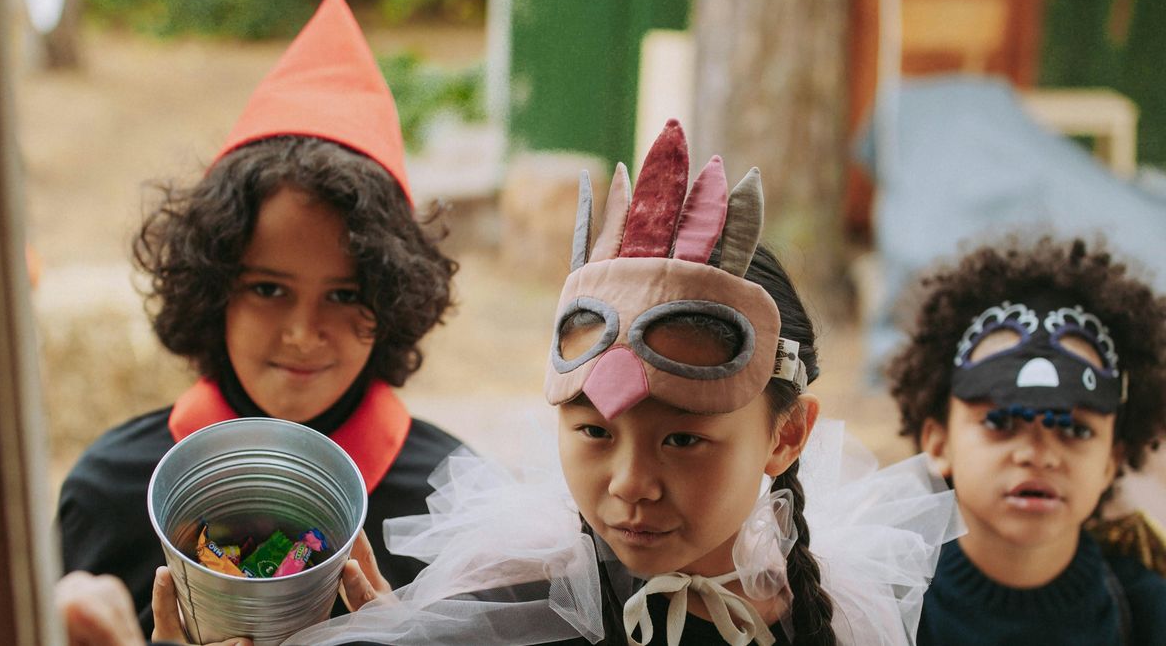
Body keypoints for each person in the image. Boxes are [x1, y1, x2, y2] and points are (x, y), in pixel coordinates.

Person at [284, 119, 963, 645]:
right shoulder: (516, 604)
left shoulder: (830, 621)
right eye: (593, 430)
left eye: (682, 438)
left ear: (786, 434)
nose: (629, 482)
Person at [56, 0, 463, 638]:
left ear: (394, 297)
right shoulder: (109, 497)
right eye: (268, 288)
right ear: (211, 284)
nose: (302, 334)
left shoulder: (454, 509)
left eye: (346, 293)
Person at [886, 237, 1166, 645]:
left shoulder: (1149, 615)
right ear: (939, 443)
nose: (1037, 454)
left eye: (1074, 430)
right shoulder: (876, 609)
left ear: (1112, 459)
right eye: (1001, 421)